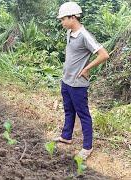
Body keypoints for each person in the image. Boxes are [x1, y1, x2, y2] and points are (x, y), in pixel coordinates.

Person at [54, 2, 109, 160]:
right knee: (68, 110)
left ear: (73, 17)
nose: (62, 22)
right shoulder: (69, 32)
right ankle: (66, 136)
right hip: (66, 80)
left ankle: (87, 147)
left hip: (78, 84)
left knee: (83, 114)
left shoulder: (85, 35)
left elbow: (104, 54)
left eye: (63, 19)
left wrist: (86, 68)